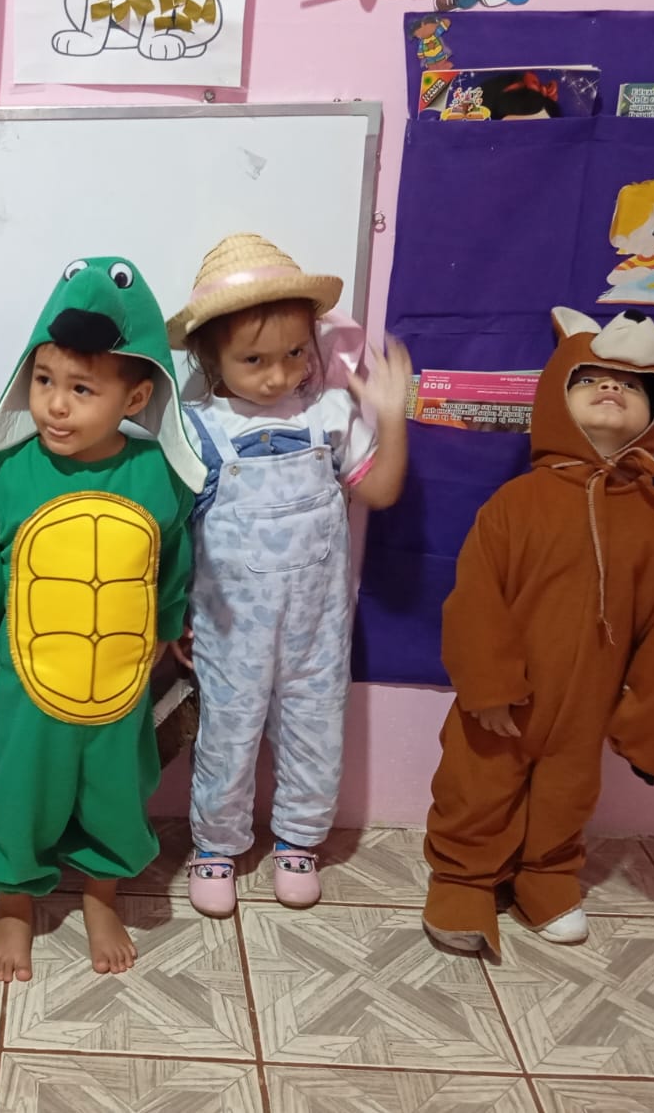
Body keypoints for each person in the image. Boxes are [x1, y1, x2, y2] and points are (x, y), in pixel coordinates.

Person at [0, 255, 204, 982]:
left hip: (121, 684)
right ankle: (16, 902)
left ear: (135, 396)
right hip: (30, 689)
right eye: (44, 380)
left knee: (117, 790)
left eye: (82, 388)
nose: (56, 405)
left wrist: (169, 624)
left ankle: (100, 894)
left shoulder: (157, 477)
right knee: (22, 789)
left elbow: (172, 560)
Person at [423, 307, 654, 956]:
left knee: (567, 793)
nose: (612, 390)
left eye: (631, 386)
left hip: (587, 704)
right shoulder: (516, 504)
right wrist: (488, 686)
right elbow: (476, 597)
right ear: (556, 397)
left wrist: (643, 719)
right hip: (506, 700)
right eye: (592, 380)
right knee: (477, 786)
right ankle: (463, 878)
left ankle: (545, 874)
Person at [168, 233, 411, 917]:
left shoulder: (328, 416)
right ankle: (216, 845)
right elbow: (170, 531)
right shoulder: (194, 427)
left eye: (296, 353)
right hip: (229, 627)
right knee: (227, 734)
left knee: (315, 729)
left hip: (317, 626)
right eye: (254, 360)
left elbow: (381, 491)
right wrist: (173, 612)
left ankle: (299, 841)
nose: (279, 376)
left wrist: (390, 417)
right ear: (210, 357)